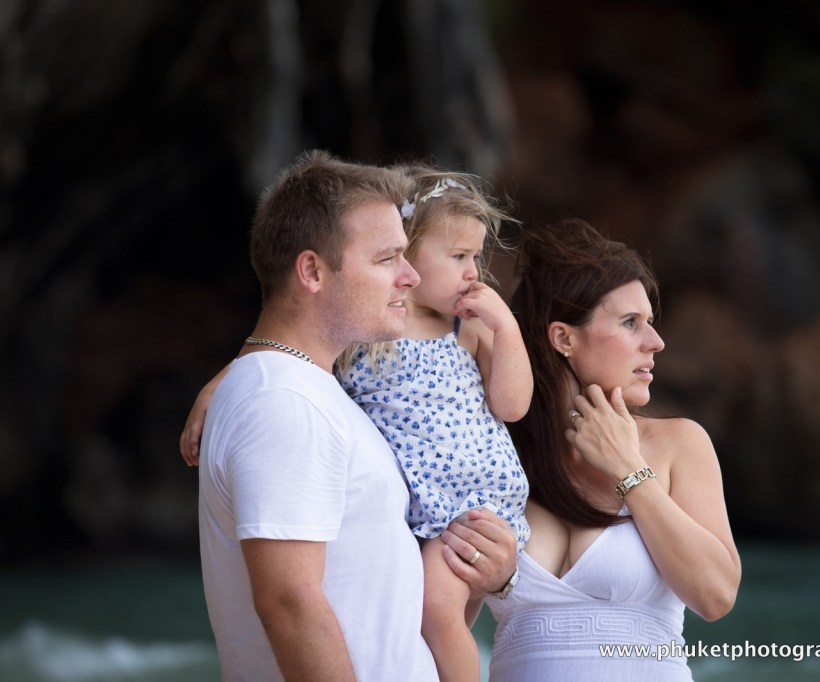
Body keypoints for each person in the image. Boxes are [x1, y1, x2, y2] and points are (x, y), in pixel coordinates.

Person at [192, 149, 516, 682]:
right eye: (387, 258)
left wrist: (493, 577)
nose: (411, 277)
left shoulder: (323, 392)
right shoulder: (285, 402)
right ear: (313, 271)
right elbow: (290, 604)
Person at [485, 218, 742, 681]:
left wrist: (629, 470)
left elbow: (716, 596)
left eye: (650, 322)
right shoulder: (498, 453)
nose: (656, 342)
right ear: (563, 337)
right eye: (630, 323)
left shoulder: (677, 443)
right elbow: (439, 618)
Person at [337, 164, 532, 682]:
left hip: (471, 504)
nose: (474, 272)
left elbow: (512, 405)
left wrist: (505, 327)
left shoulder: (464, 327)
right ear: (406, 254)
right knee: (439, 631)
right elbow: (290, 352)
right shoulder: (371, 325)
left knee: (436, 617)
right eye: (460, 256)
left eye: (477, 257)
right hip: (424, 509)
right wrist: (218, 387)